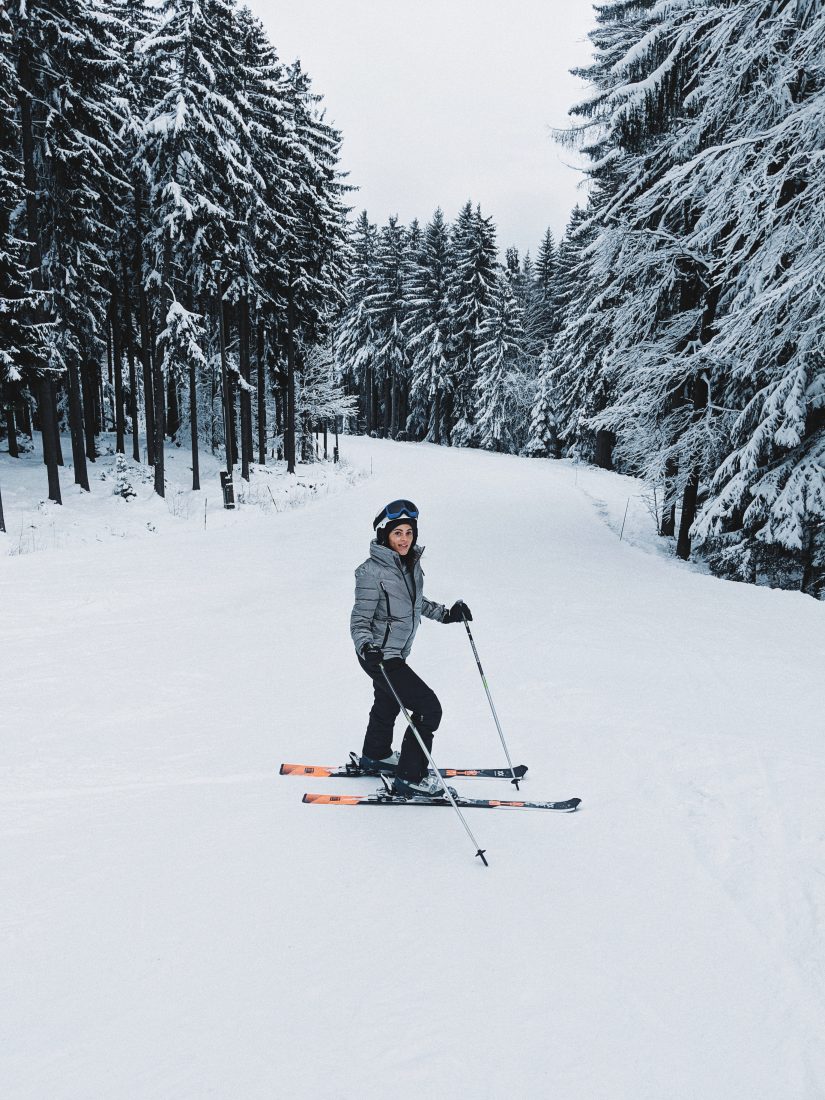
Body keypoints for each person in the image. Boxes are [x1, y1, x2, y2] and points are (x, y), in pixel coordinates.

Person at [350, 499, 473, 798]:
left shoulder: (408, 565)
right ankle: (410, 777)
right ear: (385, 536)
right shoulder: (371, 572)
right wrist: (367, 647)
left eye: (408, 532)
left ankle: (375, 754)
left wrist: (446, 613)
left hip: (393, 653)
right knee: (429, 708)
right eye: (397, 533)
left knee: (389, 701)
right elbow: (359, 619)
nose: (404, 539)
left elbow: (415, 602)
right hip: (379, 656)